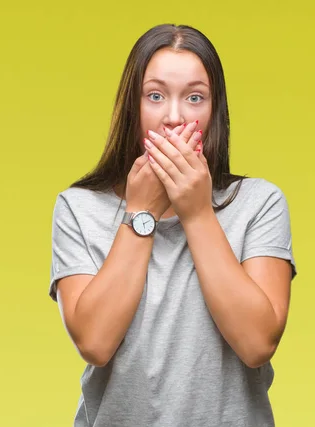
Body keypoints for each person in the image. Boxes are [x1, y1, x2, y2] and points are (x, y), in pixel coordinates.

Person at [48, 23, 296, 427]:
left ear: (215, 111)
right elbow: (94, 343)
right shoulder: (78, 208)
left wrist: (196, 213)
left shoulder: (259, 203)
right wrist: (140, 212)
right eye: (156, 96)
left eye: (195, 97)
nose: (174, 116)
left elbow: (257, 344)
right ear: (133, 106)